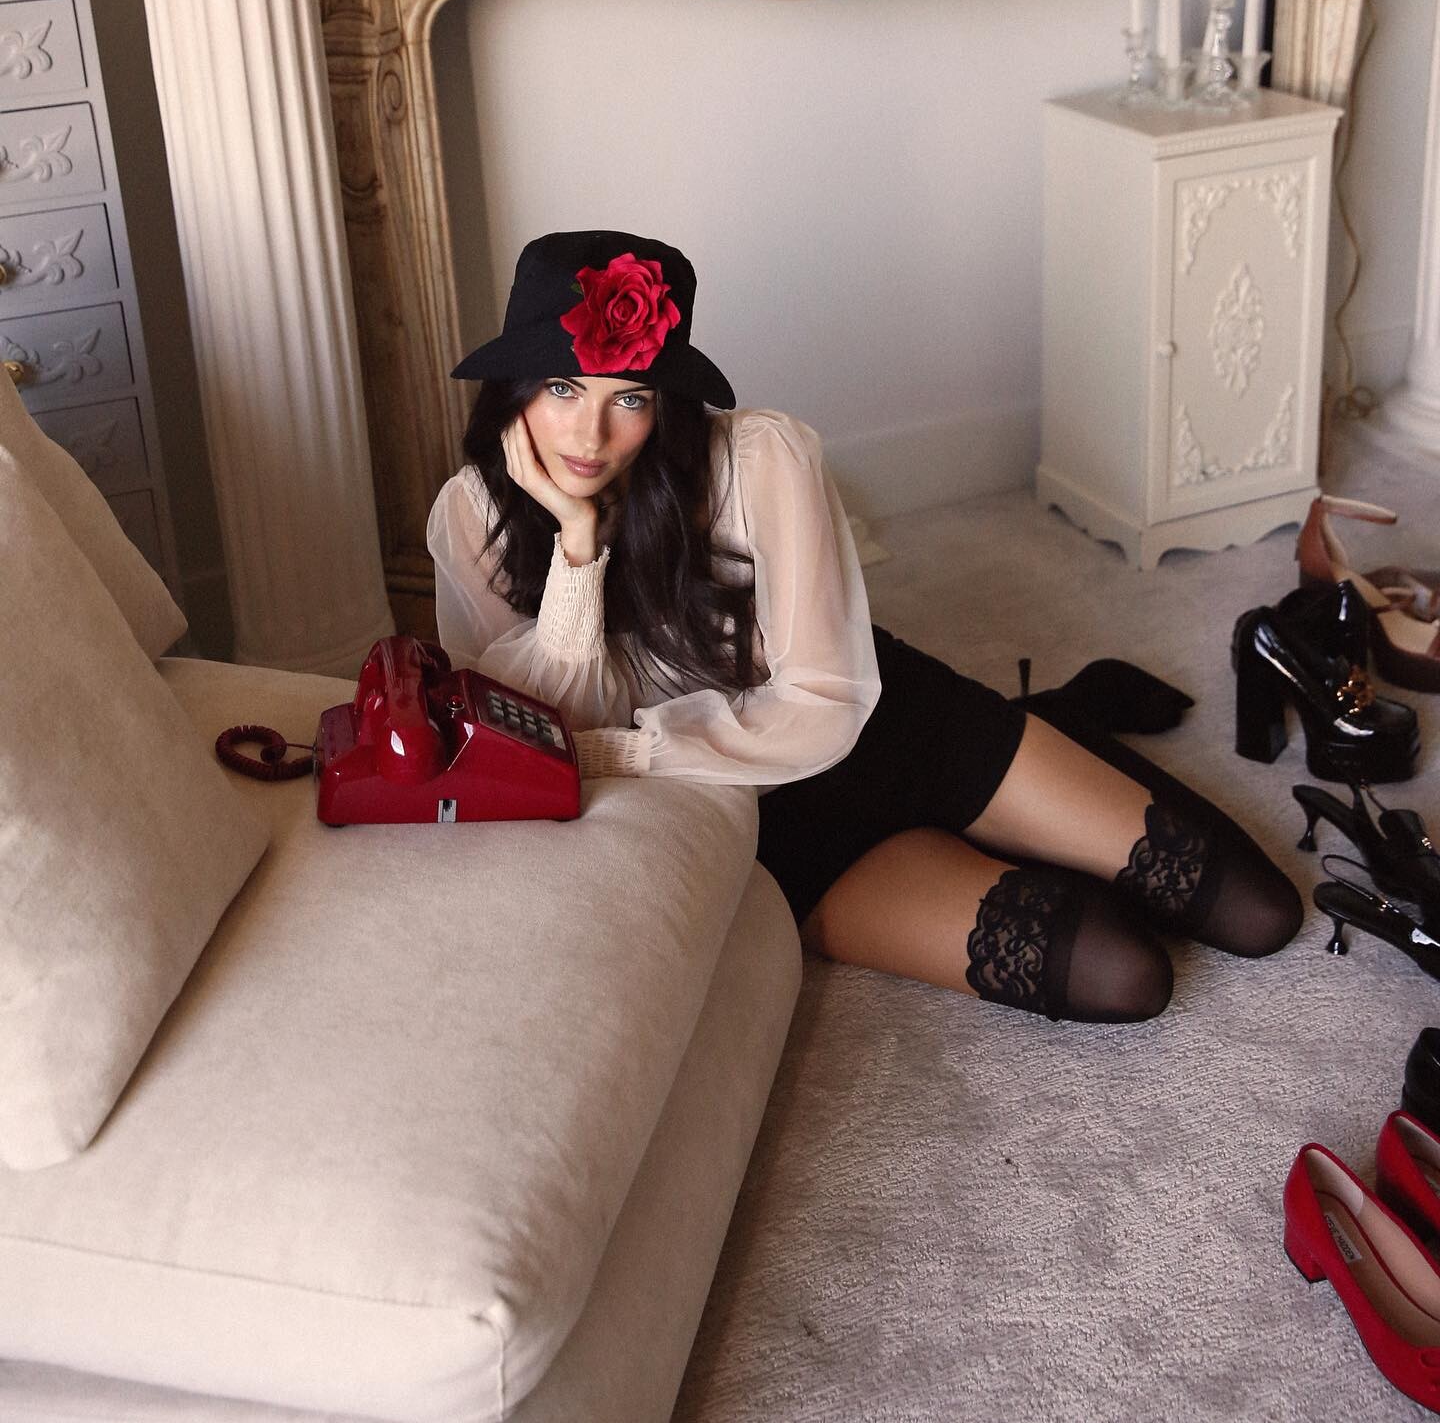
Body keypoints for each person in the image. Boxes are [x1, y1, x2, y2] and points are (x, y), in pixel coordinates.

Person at [428, 231, 1302, 1025]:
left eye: (630, 397)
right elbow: (543, 731)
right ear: (515, 390)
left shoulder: (760, 459)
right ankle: (1050, 742)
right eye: (561, 388)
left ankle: (1046, 734)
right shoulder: (473, 518)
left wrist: (627, 753)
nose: (589, 433)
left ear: (666, 403)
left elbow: (819, 696)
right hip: (773, 825)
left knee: (1259, 914)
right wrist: (577, 548)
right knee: (1126, 975)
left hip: (886, 726)